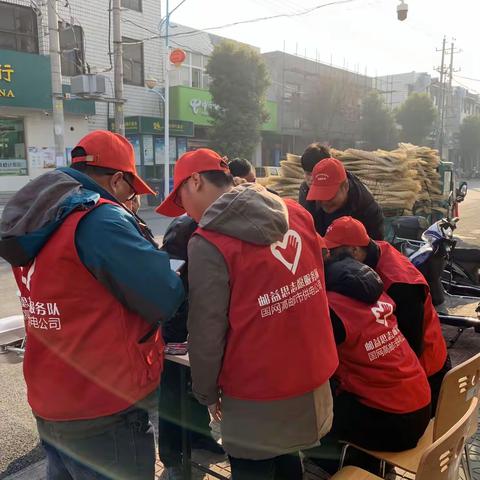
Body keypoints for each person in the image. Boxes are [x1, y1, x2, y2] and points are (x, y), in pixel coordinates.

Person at [0, 130, 184, 480]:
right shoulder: (100, 220)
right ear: (117, 180)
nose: (132, 200)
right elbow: (164, 296)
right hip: (104, 406)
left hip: (51, 397)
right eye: (131, 191)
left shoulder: (38, 215)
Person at [156, 148, 339, 480]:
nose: (184, 212)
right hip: (312, 380)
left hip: (255, 391)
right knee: (287, 457)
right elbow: (316, 288)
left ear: (195, 181)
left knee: (252, 468)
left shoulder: (209, 242)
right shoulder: (295, 212)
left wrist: (206, 393)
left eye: (181, 200)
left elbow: (206, 330)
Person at [324, 216, 450, 413]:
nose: (329, 259)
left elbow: (410, 344)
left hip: (425, 369)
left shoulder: (399, 282)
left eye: (334, 253)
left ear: (356, 250)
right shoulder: (373, 251)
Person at [159, 215, 224, 480]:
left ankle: (200, 436)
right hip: (178, 327)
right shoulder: (184, 227)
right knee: (174, 393)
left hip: (204, 324)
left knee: (199, 387)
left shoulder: (220, 221)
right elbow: (170, 276)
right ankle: (172, 457)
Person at [299, 143, 384, 239]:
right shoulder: (306, 193)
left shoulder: (367, 209)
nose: (324, 201)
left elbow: (375, 248)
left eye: (329, 195)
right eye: (319, 195)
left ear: (345, 187)